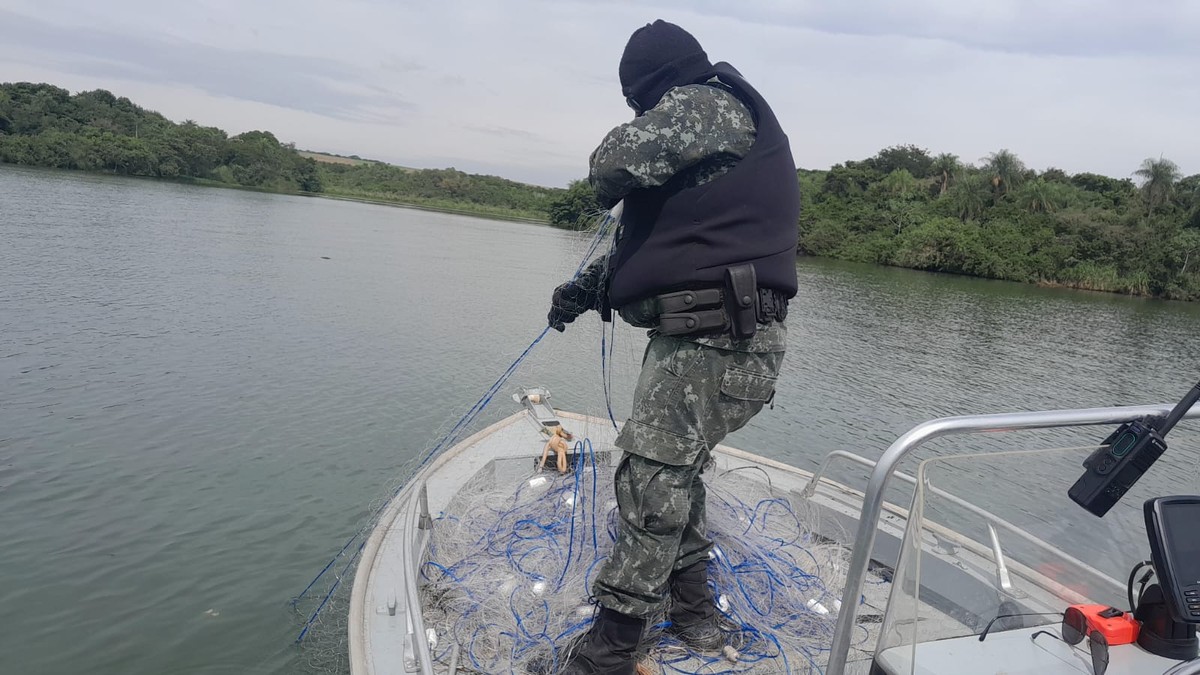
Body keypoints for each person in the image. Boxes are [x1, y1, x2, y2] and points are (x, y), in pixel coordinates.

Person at [545, 19, 801, 675]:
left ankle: (608, 652)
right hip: (721, 343)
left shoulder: (708, 102)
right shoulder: (708, 138)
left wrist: (633, 145)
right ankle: (693, 613)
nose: (644, 113)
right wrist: (578, 293)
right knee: (676, 476)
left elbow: (612, 164)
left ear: (654, 87)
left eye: (641, 102)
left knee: (652, 478)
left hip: (714, 344)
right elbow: (662, 255)